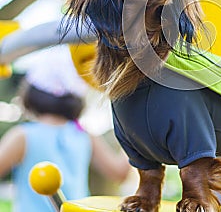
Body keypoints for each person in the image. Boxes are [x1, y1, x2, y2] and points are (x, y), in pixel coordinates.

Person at [0, 46, 131, 212]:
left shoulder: (23, 136)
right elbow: (120, 172)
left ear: (31, 93)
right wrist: (133, 132)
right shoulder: (84, 134)